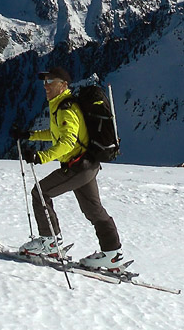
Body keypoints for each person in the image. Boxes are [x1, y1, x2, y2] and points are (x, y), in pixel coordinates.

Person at [10, 66, 124, 270]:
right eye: (44, 82)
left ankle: (49, 241)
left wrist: (41, 157)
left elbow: (67, 142)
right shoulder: (60, 105)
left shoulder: (66, 108)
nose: (45, 86)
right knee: (93, 209)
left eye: (50, 82)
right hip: (87, 165)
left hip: (78, 166)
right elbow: (56, 134)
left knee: (40, 192)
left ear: (63, 86)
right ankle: (112, 253)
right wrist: (30, 135)